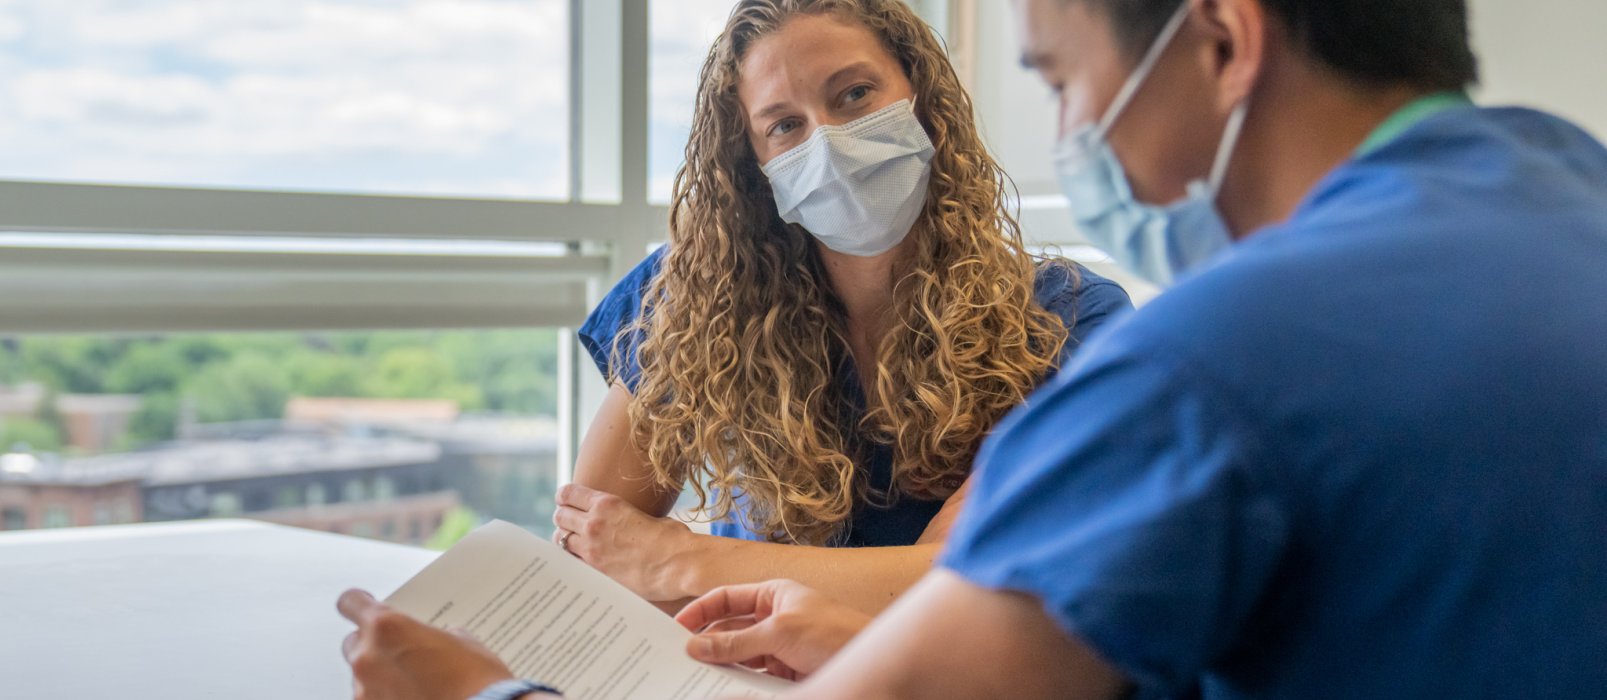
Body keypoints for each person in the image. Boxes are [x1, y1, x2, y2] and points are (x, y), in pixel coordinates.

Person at [337, 0, 1607, 697]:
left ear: (1223, 41)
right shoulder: (1575, 207)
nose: (1074, 134)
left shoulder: (1201, 366)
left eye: (1062, 80)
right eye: (780, 127)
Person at [551, 0, 1131, 617]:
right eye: (783, 126)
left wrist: (683, 561)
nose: (826, 144)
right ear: (755, 168)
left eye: (854, 94)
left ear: (923, 95)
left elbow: (956, 586)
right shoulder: (692, 292)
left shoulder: (1065, 321)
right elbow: (595, 552)